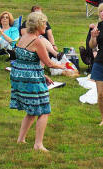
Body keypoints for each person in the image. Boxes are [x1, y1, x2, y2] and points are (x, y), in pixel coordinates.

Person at [10, 12, 66, 152]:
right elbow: (48, 63)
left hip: (20, 75)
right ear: (38, 25)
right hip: (30, 78)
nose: (46, 26)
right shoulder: (37, 41)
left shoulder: (23, 37)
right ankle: (38, 144)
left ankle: (21, 139)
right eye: (44, 24)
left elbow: (27, 60)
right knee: (43, 110)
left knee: (32, 110)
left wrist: (43, 76)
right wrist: (63, 67)